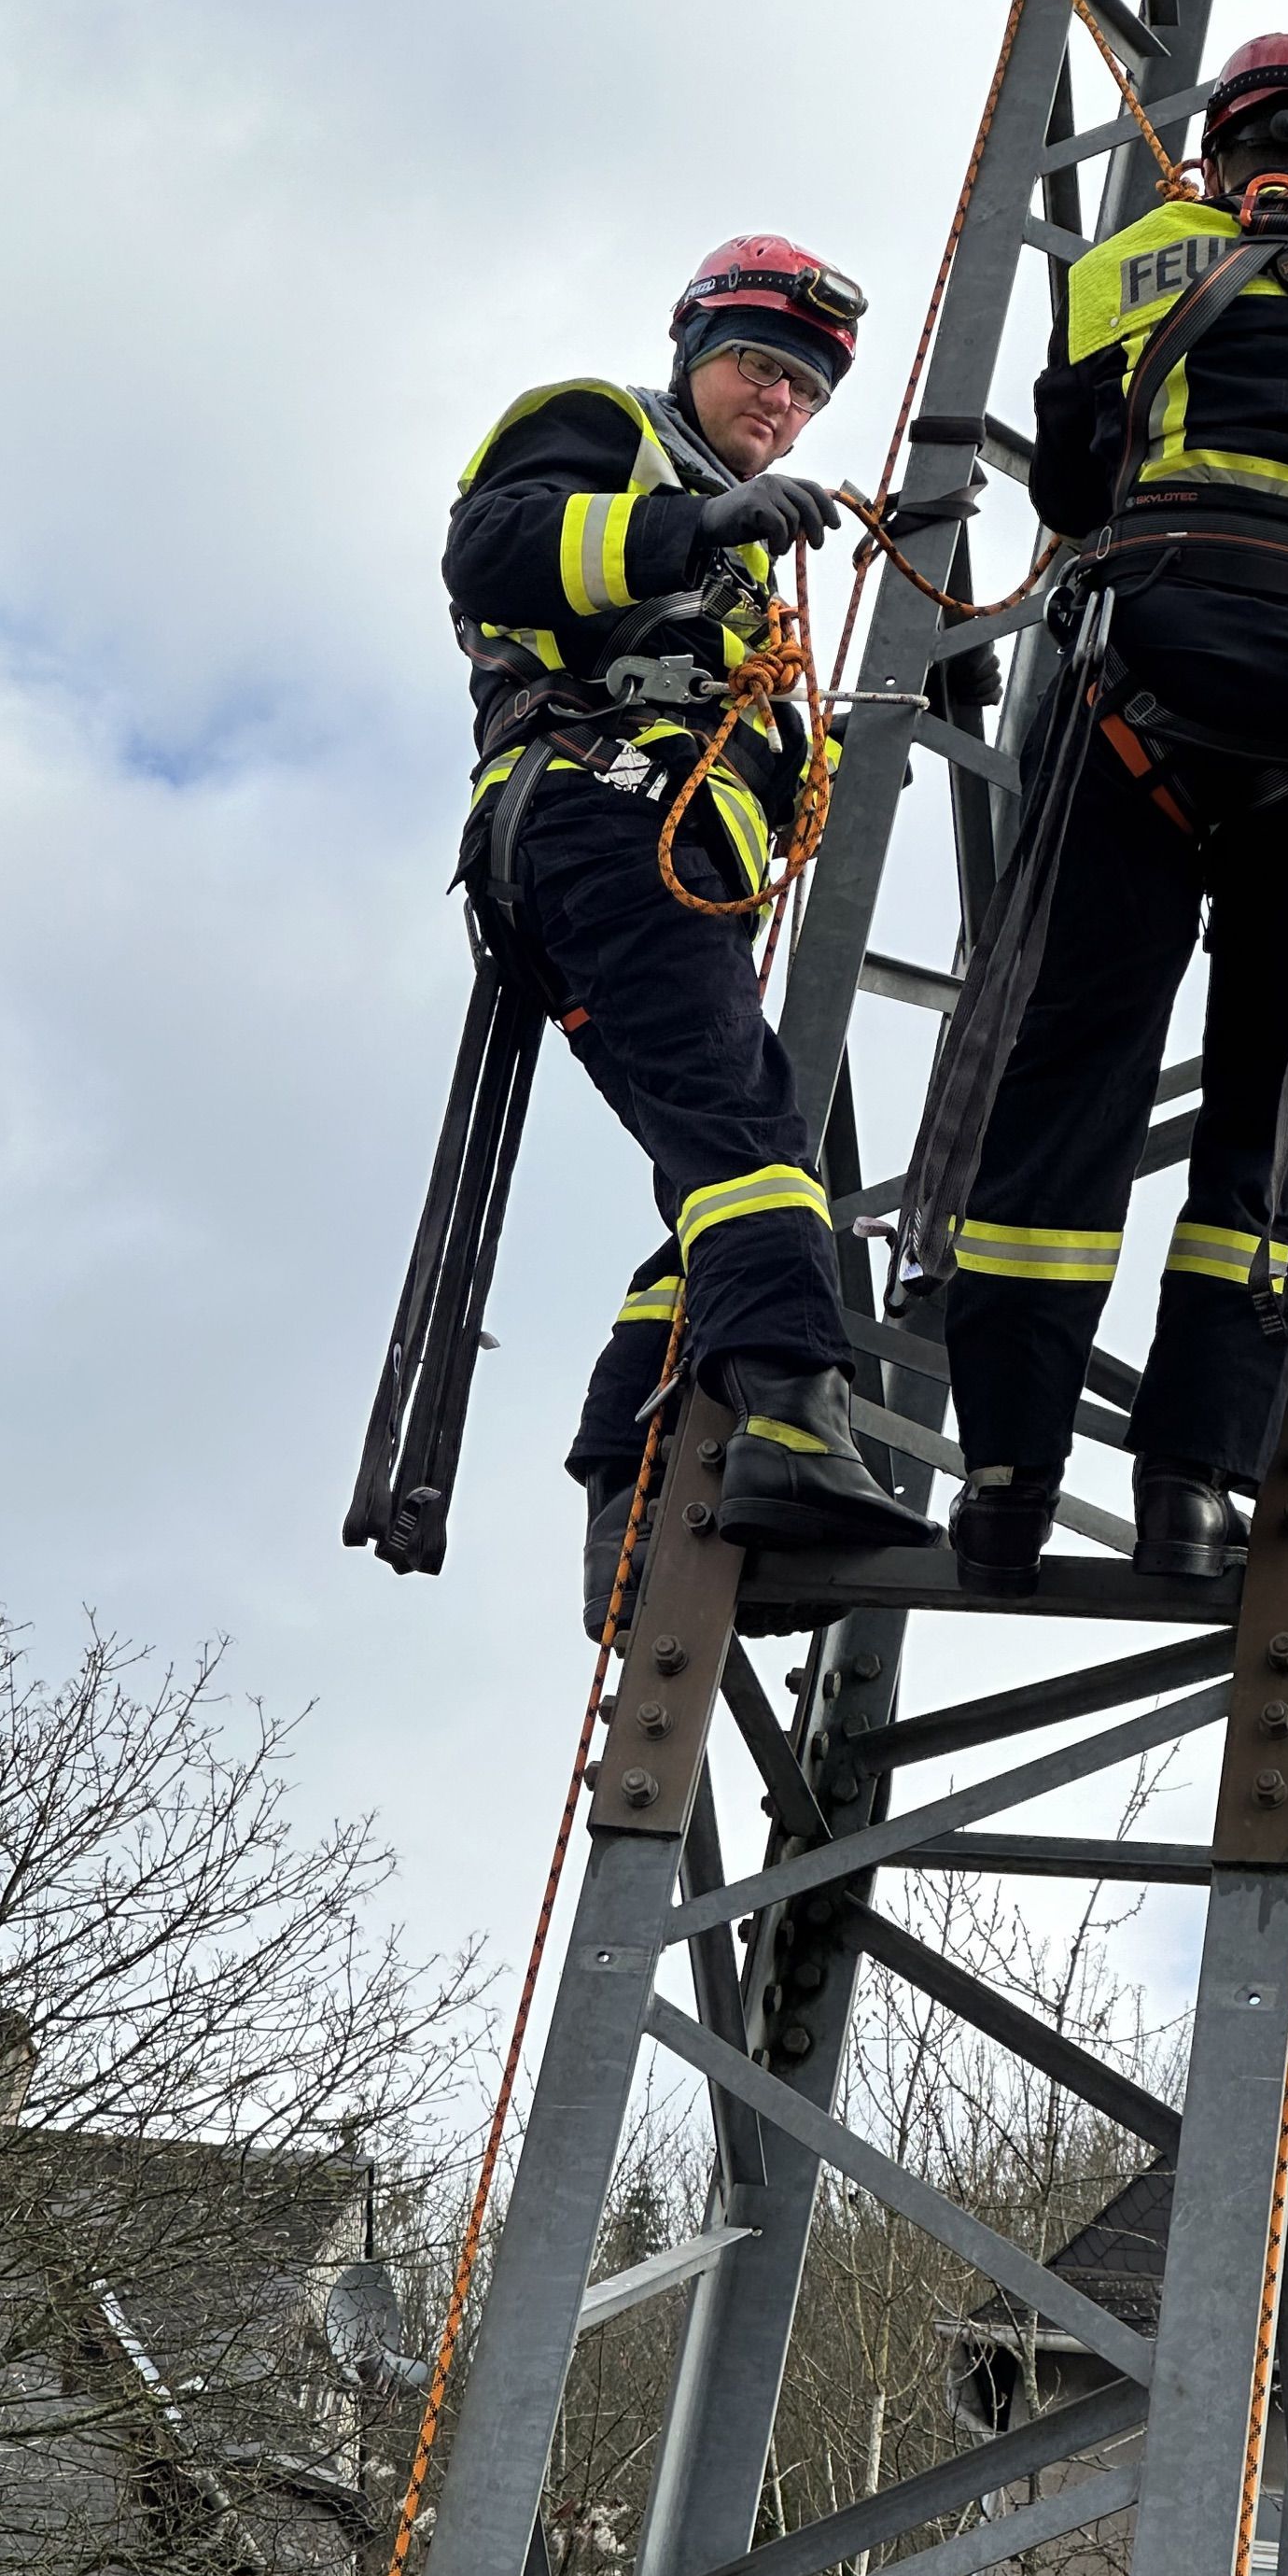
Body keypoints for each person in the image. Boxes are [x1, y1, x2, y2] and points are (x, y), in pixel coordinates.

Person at [941, 36, 1288, 1595]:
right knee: (1272, 1112)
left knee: (1060, 1092)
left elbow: (1069, 486)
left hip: (1140, 700)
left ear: (1216, 148)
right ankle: (1193, 1485)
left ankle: (1001, 1479)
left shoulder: (1128, 264)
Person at [442, 235, 936, 1635]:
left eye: (805, 392)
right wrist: (689, 531)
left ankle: (633, 1494)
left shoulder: (743, 534)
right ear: (692, 351)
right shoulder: (606, 426)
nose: (778, 404)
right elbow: (487, 551)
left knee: (739, 1166)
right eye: (758, 368)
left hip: (660, 856)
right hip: (601, 817)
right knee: (744, 1149)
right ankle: (789, 1427)